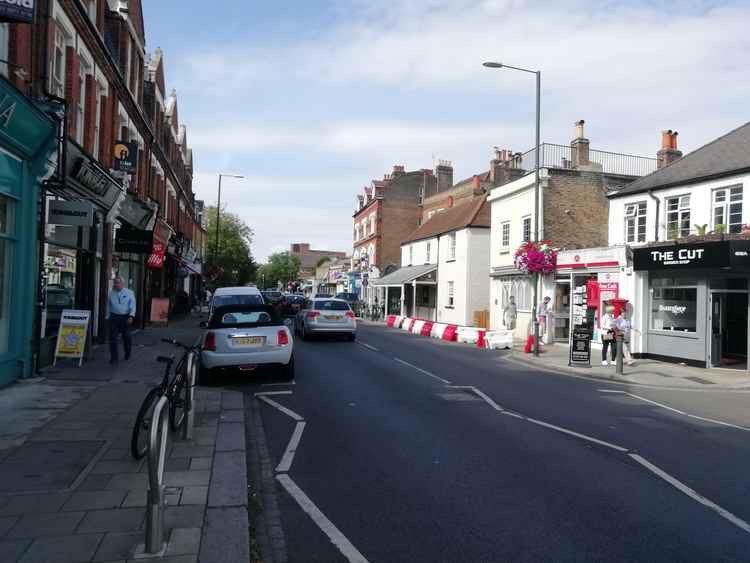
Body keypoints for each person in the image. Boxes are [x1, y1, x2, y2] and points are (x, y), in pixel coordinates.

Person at [107, 277, 135, 364]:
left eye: (118, 283)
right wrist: (107, 316)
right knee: (113, 338)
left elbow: (133, 305)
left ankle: (127, 352)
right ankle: (114, 358)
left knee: (126, 336)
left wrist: (131, 316)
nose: (116, 285)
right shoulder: (111, 293)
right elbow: (108, 306)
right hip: (114, 317)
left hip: (125, 317)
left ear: (122, 284)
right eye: (115, 283)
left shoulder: (130, 293)